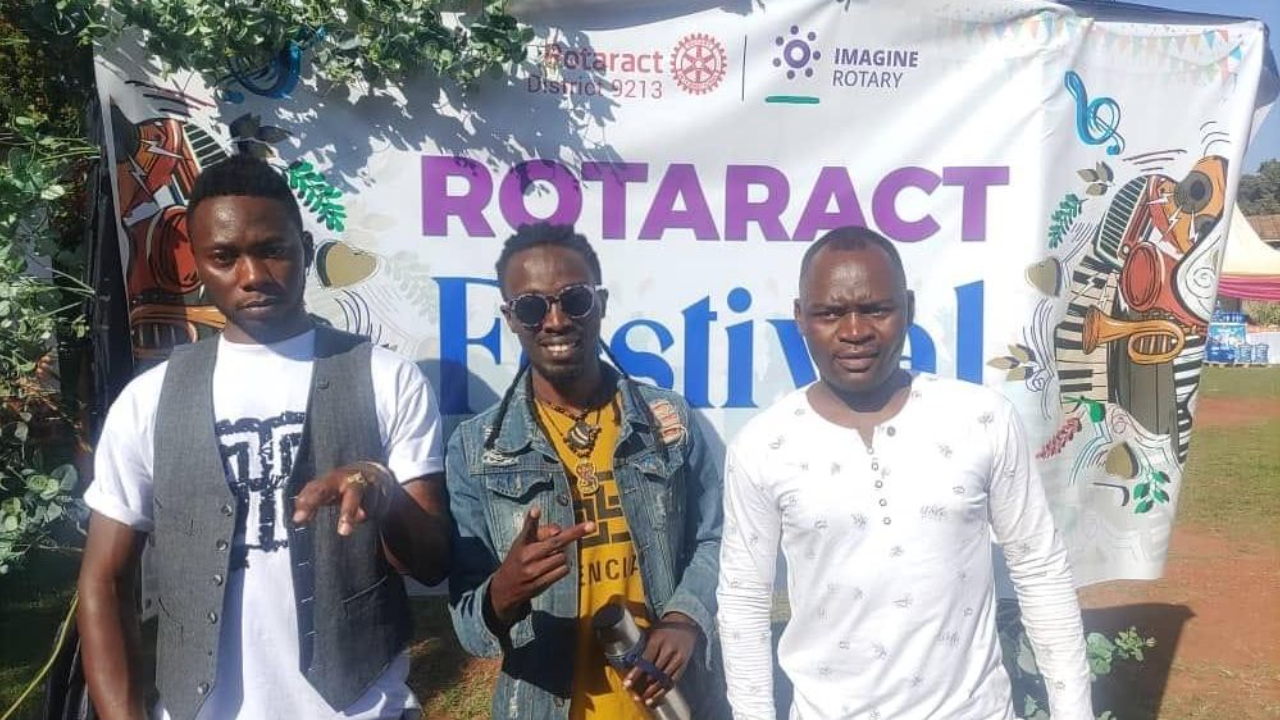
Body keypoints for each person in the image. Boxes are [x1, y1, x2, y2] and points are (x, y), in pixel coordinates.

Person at [77, 154, 451, 720]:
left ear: (302, 246)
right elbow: (104, 578)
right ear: (197, 261)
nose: (252, 275)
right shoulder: (150, 399)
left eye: (272, 250)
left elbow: (431, 563)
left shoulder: (386, 377)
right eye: (224, 257)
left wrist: (383, 490)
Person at [717, 226, 1094, 720]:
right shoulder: (763, 446)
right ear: (800, 319)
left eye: (876, 309)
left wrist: (1073, 711)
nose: (855, 330)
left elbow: (1039, 568)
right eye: (830, 312)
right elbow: (744, 601)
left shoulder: (980, 419)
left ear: (909, 309)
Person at [446, 222, 729, 720]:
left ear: (599, 302)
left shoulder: (669, 423)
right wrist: (502, 592)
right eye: (532, 307)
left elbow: (721, 536)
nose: (555, 320)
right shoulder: (477, 449)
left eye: (573, 300)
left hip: (676, 705)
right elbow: (470, 624)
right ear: (510, 318)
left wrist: (686, 617)